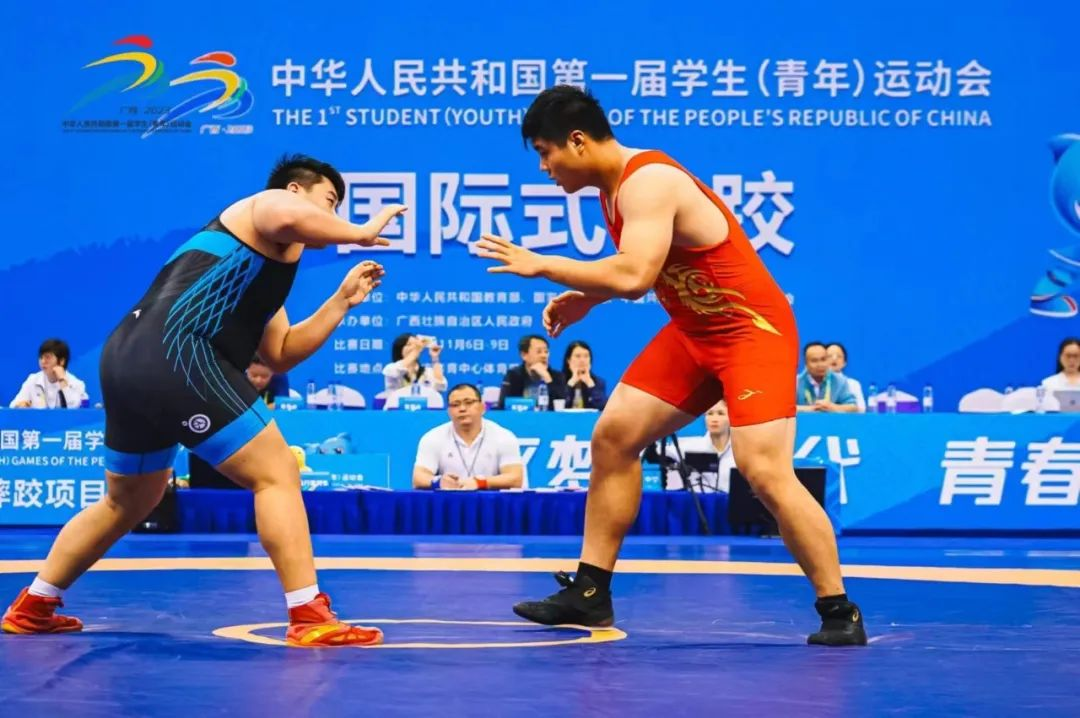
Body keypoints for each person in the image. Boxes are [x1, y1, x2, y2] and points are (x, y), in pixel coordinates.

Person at [477, 86, 865, 646]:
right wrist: (588, 298)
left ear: (578, 141)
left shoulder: (649, 181)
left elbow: (635, 275)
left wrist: (544, 266)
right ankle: (590, 591)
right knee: (613, 437)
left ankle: (839, 610)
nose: (544, 168)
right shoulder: (613, 190)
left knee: (763, 469)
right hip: (694, 332)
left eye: (545, 152)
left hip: (751, 331)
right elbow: (648, 262)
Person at [1, 154, 406, 648]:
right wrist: (360, 231)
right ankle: (309, 615)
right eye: (330, 200)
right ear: (297, 191)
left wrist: (340, 302)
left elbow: (280, 353)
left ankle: (34, 605)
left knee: (129, 499)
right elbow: (286, 213)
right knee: (276, 472)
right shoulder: (265, 206)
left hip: (126, 359)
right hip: (175, 352)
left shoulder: (266, 266)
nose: (332, 213)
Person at [412, 383, 524, 490]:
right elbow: (418, 478)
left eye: (469, 402)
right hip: (449, 500)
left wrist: (480, 482)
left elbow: (515, 479)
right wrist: (438, 481)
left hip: (491, 501)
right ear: (449, 411)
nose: (462, 409)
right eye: (455, 404)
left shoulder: (503, 437)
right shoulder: (433, 437)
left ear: (483, 407)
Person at [9, 339, 86, 409]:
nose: (43, 361)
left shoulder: (76, 384)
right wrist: (19, 406)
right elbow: (13, 406)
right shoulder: (33, 380)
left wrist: (63, 382)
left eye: (47, 357)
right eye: (41, 357)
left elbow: (75, 410)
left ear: (61, 361)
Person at [797, 342, 859, 413]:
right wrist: (810, 409)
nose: (820, 364)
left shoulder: (840, 381)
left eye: (823, 359)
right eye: (814, 360)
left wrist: (833, 407)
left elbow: (853, 407)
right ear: (806, 364)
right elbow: (787, 408)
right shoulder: (796, 383)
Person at [383, 333, 447, 393]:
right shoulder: (391, 368)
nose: (414, 347)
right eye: (409, 344)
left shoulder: (427, 372)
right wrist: (416, 350)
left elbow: (440, 386)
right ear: (400, 349)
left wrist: (435, 357)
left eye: (415, 345)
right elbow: (393, 372)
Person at [561, 340, 608, 410]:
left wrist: (590, 384)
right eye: (578, 356)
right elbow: (557, 405)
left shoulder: (598, 382)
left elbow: (603, 407)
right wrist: (571, 383)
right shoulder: (559, 379)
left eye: (586, 356)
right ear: (568, 360)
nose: (582, 360)